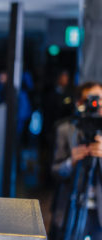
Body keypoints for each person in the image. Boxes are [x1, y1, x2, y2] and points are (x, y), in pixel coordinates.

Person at [50, 82, 102, 240]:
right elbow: (56, 171)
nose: (97, 104)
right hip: (69, 208)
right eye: (92, 99)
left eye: (101, 99)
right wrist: (71, 161)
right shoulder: (66, 129)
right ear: (79, 102)